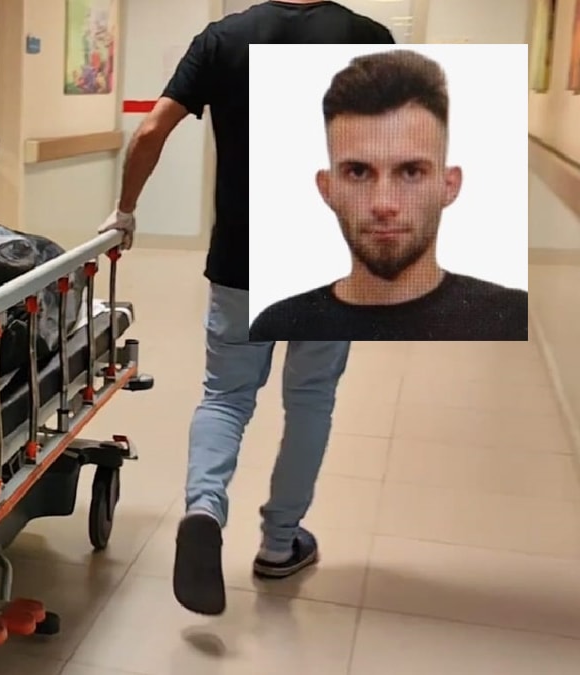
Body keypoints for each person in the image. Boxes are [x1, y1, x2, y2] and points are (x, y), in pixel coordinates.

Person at [100, 0, 394, 616]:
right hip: (329, 258)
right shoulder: (368, 38)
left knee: (225, 396)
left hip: (240, 256)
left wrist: (124, 211)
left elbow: (151, 131)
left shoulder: (223, 38)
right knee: (310, 399)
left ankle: (204, 509)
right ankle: (280, 544)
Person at [247, 49, 529, 342]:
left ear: (449, 185)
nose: (383, 204)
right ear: (326, 188)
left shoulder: (514, 319)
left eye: (411, 172)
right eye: (358, 172)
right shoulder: (280, 327)